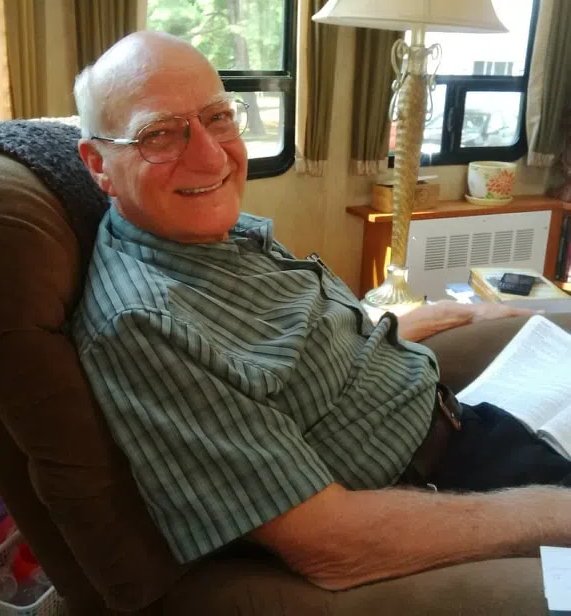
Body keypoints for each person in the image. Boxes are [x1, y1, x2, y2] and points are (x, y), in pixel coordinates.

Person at [71, 30, 571, 591]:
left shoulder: (214, 235)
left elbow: (312, 350)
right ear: (98, 164)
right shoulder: (144, 326)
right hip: (435, 496)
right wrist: (557, 512)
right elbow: (330, 544)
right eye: (159, 134)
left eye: (218, 118)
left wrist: (451, 317)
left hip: (469, 427)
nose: (211, 157)